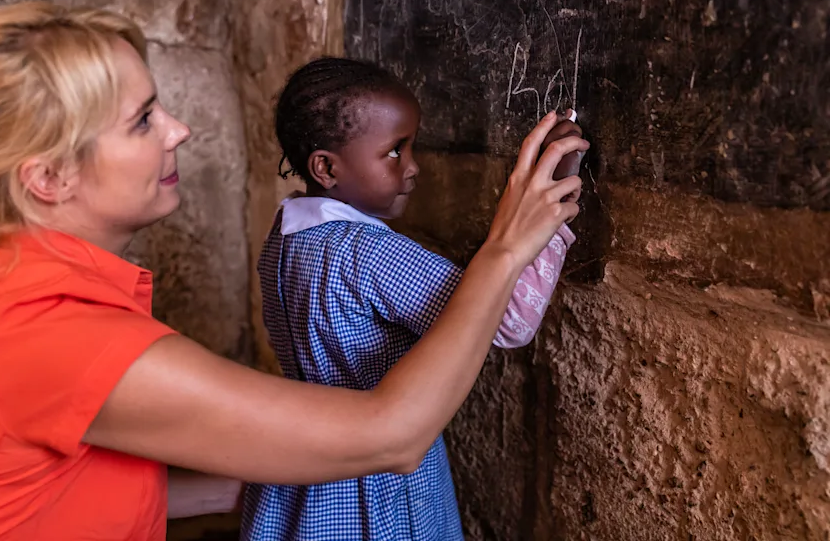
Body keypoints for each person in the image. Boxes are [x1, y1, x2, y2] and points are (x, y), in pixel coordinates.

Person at [0, 1, 588, 540]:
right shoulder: (45, 333)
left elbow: (47, 487)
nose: (178, 129)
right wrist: (505, 248)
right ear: (50, 178)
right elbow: (391, 435)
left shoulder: (11, 284)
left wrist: (259, 489)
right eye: (143, 119)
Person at [241, 57, 583, 540]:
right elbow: (508, 321)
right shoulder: (364, 251)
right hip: (376, 489)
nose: (414, 166)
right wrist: (544, 218)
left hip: (305, 470)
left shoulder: (286, 236)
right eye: (394, 152)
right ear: (326, 167)